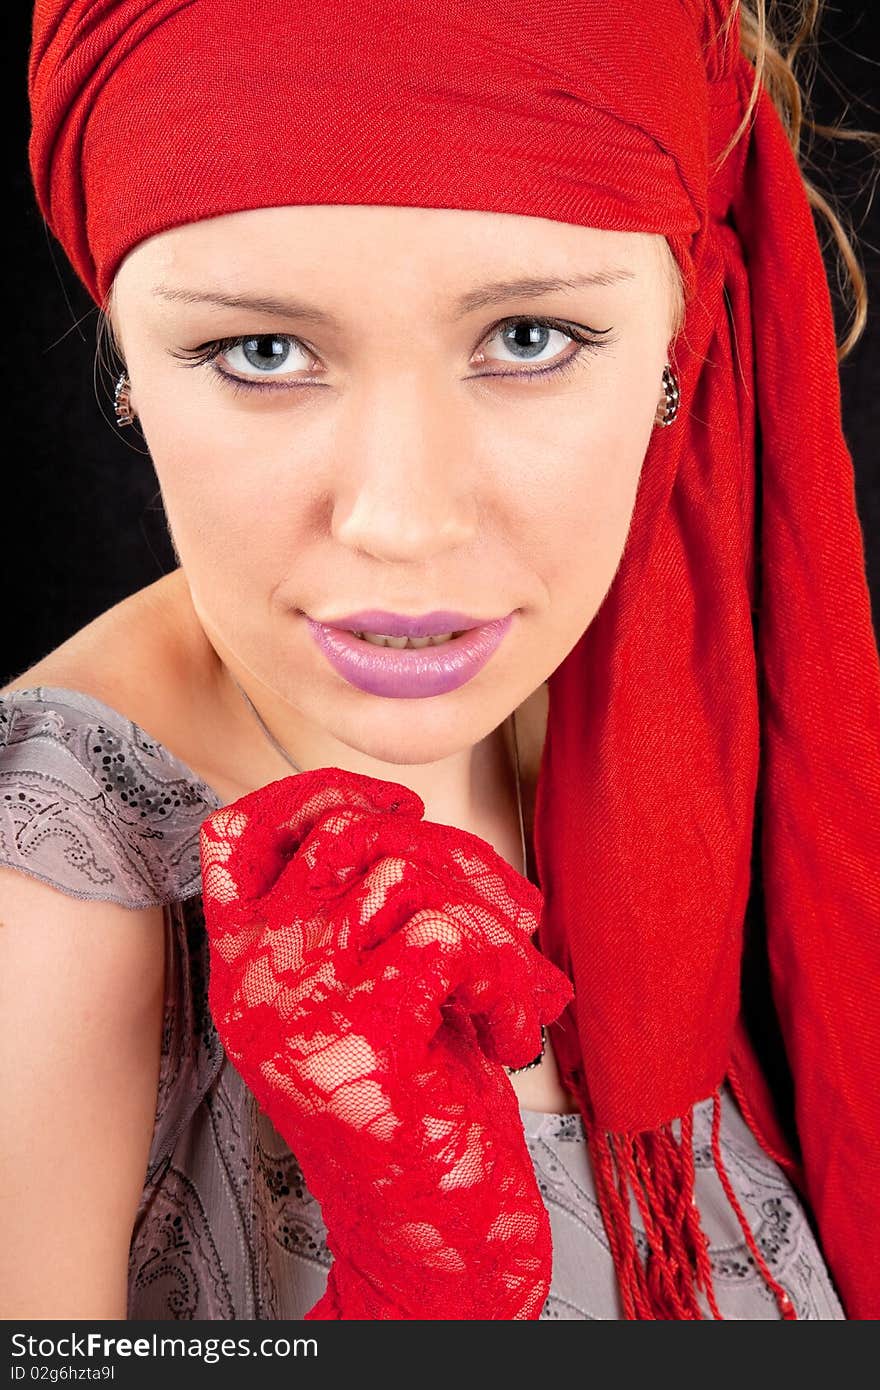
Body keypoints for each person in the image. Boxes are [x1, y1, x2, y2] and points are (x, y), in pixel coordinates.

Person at [1, 0, 877, 1320]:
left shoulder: (713, 710)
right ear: (128, 357)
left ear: (677, 342)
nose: (403, 523)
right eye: (262, 350)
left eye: (528, 338)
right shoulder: (50, 897)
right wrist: (414, 1301)